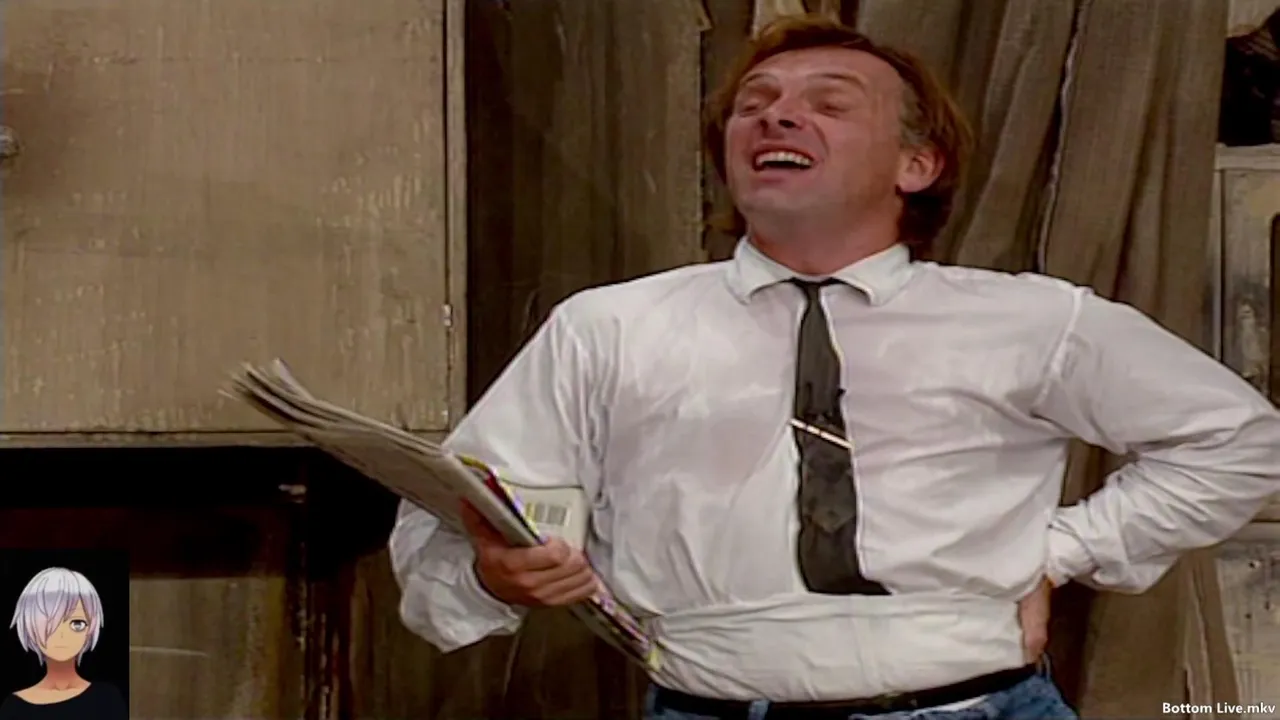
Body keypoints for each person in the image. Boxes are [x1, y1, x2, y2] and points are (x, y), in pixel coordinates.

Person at [389, 15, 1280, 720]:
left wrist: (1061, 551)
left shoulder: (1031, 320)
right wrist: (490, 577)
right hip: (708, 702)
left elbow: (1240, 441)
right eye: (755, 102)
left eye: (830, 102)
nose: (776, 115)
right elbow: (451, 515)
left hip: (977, 703)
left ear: (916, 163)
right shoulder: (607, 329)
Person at [0, 567, 127, 720]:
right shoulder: (14, 707)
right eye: (50, 623)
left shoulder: (108, 699)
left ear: (90, 628)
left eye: (77, 624)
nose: (62, 635)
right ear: (30, 624)